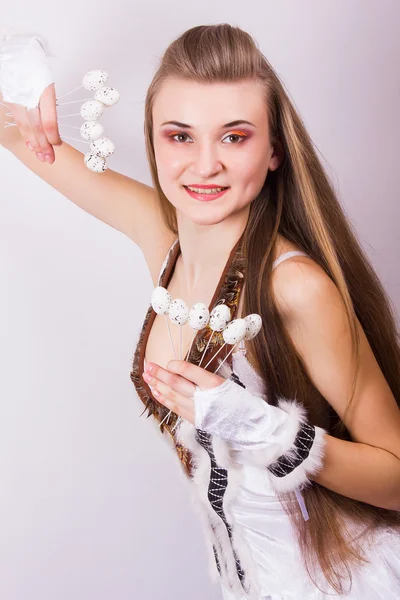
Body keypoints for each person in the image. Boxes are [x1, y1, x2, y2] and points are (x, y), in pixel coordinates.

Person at [1, 23, 400, 600]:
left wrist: (264, 428)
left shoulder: (295, 288)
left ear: (274, 151)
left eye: (234, 137)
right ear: (154, 141)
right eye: (180, 136)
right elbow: (19, 137)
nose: (204, 165)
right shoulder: (160, 234)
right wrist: (22, 75)